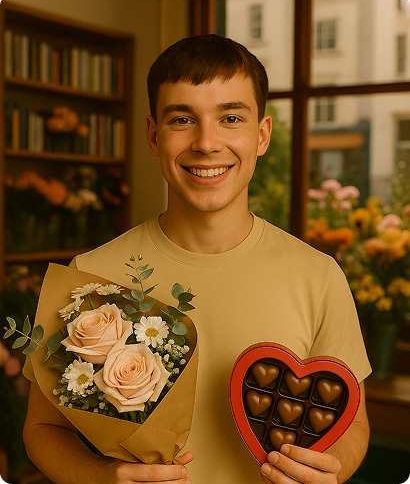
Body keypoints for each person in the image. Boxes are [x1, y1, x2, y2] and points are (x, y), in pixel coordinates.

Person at [23, 34, 371, 484]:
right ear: (153, 135)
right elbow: (41, 430)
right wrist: (101, 477)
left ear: (261, 135)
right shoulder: (87, 275)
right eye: (182, 119)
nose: (207, 143)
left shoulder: (319, 275)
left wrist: (331, 470)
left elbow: (354, 422)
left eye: (230, 117)